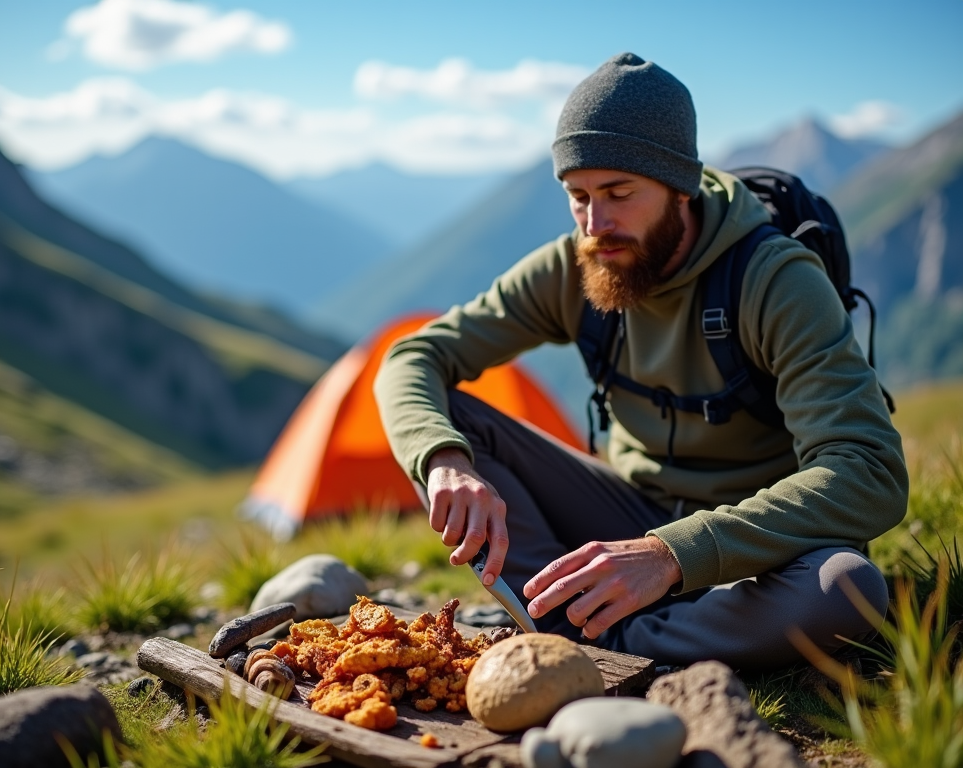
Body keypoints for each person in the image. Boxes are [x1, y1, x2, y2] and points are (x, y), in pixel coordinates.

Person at [374, 53, 908, 669]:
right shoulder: (575, 265)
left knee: (845, 586)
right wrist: (443, 461)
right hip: (622, 520)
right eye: (578, 197)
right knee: (447, 424)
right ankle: (562, 613)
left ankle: (602, 641)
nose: (596, 224)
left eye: (619, 193)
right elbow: (415, 354)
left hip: (756, 547)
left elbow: (870, 474)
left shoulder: (775, 280)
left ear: (679, 186)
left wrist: (671, 554)